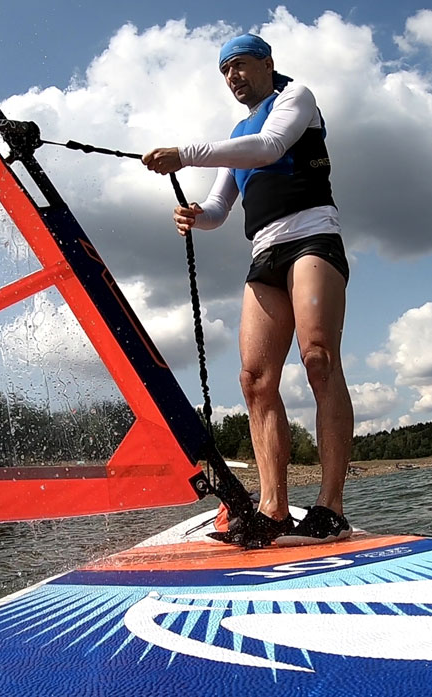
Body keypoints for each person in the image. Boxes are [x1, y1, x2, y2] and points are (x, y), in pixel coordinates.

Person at [142, 34, 354, 548]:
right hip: (265, 253)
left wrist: (187, 154)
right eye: (225, 71)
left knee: (319, 358)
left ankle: (330, 506)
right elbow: (220, 209)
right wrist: (198, 216)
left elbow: (271, 147)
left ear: (266, 63)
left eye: (239, 66)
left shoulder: (295, 97)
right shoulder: (236, 133)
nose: (233, 77)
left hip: (313, 237)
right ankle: (274, 508)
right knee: (255, 379)